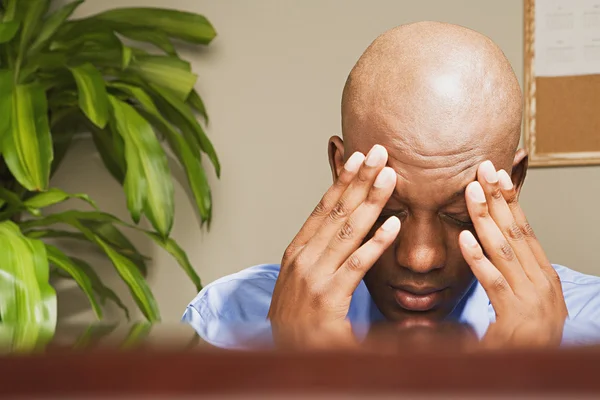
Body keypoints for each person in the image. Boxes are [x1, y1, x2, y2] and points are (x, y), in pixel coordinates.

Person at [182, 21, 600, 349]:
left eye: (458, 215)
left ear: (514, 181)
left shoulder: (590, 323)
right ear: (341, 169)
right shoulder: (227, 320)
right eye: (389, 208)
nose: (420, 258)